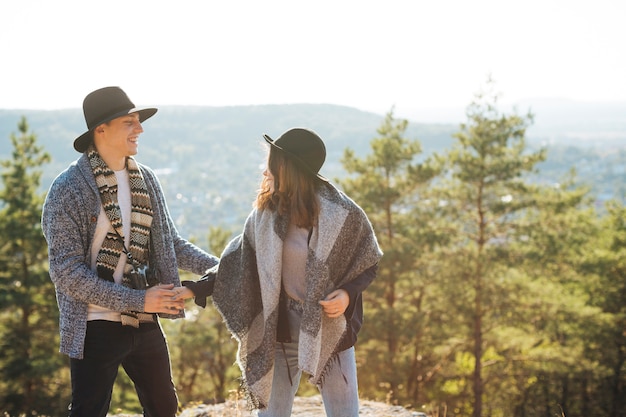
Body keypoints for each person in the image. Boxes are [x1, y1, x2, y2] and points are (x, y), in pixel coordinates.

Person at [174, 127, 383, 416]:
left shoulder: (343, 214)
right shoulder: (265, 214)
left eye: (270, 164)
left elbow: (367, 261)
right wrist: (195, 289)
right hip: (278, 327)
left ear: (288, 167)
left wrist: (347, 295)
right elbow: (236, 261)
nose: (264, 172)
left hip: (328, 329)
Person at [41, 86, 219, 417]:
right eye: (129, 122)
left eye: (138, 121)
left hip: (145, 320)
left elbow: (170, 244)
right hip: (94, 326)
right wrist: (139, 300)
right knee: (88, 410)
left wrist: (223, 266)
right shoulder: (67, 189)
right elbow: (66, 273)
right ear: (101, 130)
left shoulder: (146, 179)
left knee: (165, 407)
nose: (140, 129)